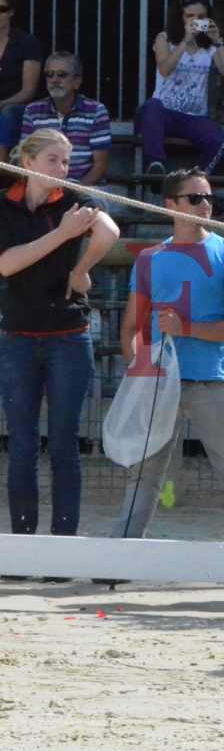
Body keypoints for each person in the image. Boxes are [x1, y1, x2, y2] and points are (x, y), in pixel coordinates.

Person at [112, 168, 224, 545]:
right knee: (144, 474)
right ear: (171, 204)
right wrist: (138, 371)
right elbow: (131, 327)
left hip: (213, 380)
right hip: (158, 385)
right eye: (195, 198)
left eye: (209, 198)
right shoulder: (149, 259)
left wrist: (186, 329)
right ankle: (119, 557)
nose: (206, 206)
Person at [0, 131, 118, 553]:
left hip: (69, 336)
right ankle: (23, 546)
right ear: (28, 162)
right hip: (17, 338)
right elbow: (7, 264)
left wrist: (81, 266)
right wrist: (64, 235)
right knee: (22, 444)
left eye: (67, 162)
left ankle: (62, 547)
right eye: (54, 160)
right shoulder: (5, 203)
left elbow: (109, 231)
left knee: (65, 443)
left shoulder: (76, 199)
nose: (63, 170)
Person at [136, 0, 224, 175]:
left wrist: (217, 41)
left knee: (217, 136)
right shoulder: (164, 38)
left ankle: (199, 178)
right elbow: (164, 69)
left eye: (201, 17)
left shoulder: (210, 46)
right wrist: (185, 41)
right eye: (190, 16)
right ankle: (156, 165)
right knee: (151, 106)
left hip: (194, 117)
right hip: (164, 113)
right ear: (180, 17)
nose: (195, 21)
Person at [18, 52, 112, 185]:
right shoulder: (32, 111)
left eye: (62, 75)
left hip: (86, 189)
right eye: (49, 74)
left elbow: (100, 166)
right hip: (44, 186)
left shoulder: (96, 111)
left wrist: (72, 192)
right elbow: (26, 159)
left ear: (77, 81)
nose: (54, 80)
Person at [0, 0, 44, 156]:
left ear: (11, 12)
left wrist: (2, 103)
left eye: (1, 9)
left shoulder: (26, 42)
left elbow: (28, 91)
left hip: (18, 108)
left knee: (7, 113)